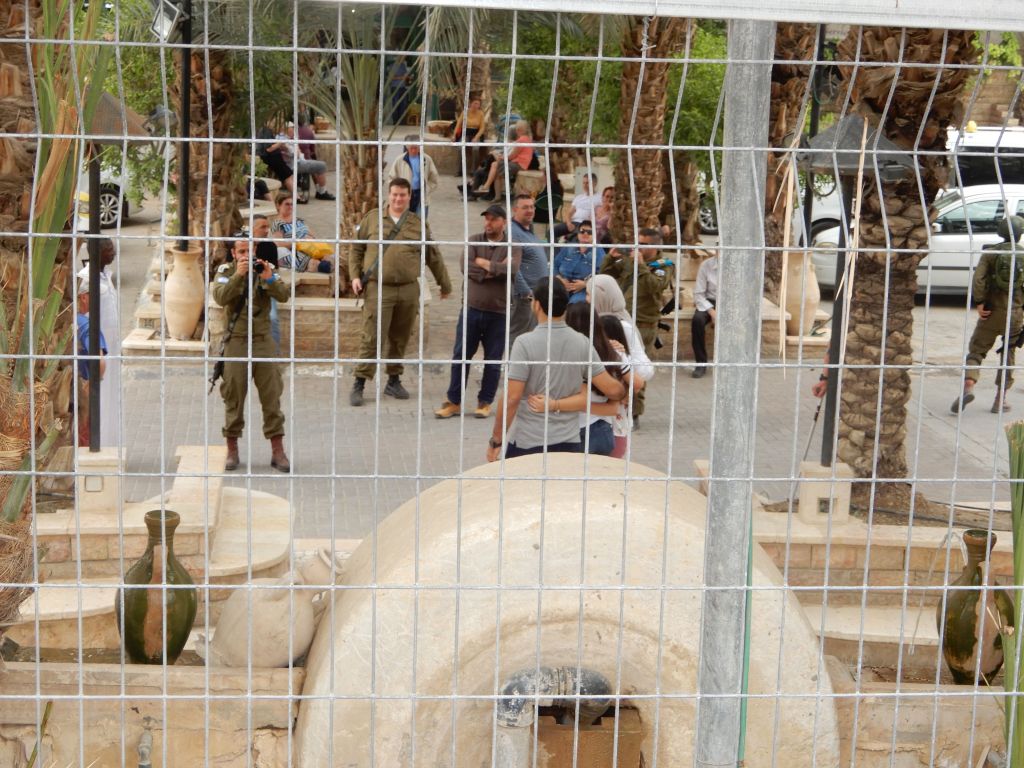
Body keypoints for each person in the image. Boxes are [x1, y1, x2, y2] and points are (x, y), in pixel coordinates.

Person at [486, 278, 625, 461]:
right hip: (569, 442)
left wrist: (496, 440)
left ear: (537, 305)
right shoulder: (581, 342)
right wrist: (624, 382)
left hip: (530, 440)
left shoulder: (524, 343)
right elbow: (613, 390)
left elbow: (512, 398)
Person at [348, 178, 452, 406]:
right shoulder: (373, 219)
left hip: (407, 289)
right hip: (378, 288)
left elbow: (432, 255)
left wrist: (445, 284)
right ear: (388, 194)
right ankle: (360, 382)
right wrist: (355, 276)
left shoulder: (417, 224)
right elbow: (356, 249)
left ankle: (393, 380)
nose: (398, 199)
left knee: (400, 337)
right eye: (394, 194)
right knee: (372, 336)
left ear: (409, 197)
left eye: (403, 195)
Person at [212, 234, 292, 472]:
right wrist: (239, 275)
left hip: (262, 340)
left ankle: (278, 450)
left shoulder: (265, 268)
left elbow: (284, 295)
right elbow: (220, 297)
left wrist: (268, 278)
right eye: (242, 251)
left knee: (272, 395)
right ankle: (232, 449)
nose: (247, 255)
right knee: (234, 395)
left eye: (250, 250)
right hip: (236, 340)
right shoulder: (226, 271)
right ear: (234, 253)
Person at [435, 204, 522, 420]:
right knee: (460, 357)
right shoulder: (474, 240)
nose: (488, 223)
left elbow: (511, 270)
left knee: (493, 360)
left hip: (499, 312)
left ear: (503, 222)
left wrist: (484, 264)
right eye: (486, 219)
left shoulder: (513, 246)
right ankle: (453, 401)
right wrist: (494, 268)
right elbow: (467, 268)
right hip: (471, 310)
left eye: (493, 219)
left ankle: (485, 402)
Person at [524, 302, 635, 456]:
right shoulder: (614, 354)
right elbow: (613, 407)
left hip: (567, 430)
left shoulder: (561, 354)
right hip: (600, 431)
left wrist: (559, 405)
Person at [952, 215, 1024, 414]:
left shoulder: (990, 255)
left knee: (977, 350)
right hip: (1015, 314)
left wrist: (980, 302)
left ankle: (969, 383)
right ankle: (1000, 399)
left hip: (990, 313)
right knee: (1008, 352)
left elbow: (978, 281)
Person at [588, 274, 655, 428]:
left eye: (589, 294)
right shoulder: (593, 323)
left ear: (601, 296)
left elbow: (646, 371)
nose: (587, 300)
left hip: (612, 411)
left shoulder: (622, 326)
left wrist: (623, 357)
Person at [599, 227, 674, 356]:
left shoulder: (664, 265)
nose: (638, 247)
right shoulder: (628, 260)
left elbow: (654, 286)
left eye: (643, 244)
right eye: (637, 242)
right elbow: (606, 276)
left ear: (655, 246)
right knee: (619, 359)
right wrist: (610, 258)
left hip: (643, 323)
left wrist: (641, 265)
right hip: (623, 317)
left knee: (641, 364)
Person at [76, 238, 120, 447]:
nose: (113, 252)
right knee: (99, 395)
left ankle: (111, 440)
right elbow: (82, 309)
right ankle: (97, 440)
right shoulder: (85, 278)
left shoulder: (106, 276)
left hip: (112, 345)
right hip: (98, 345)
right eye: (109, 249)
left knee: (112, 395)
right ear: (97, 253)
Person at [508, 193, 549, 347]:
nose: (530, 210)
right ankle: (512, 369)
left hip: (535, 296)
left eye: (532, 207)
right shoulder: (513, 232)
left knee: (530, 339)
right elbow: (512, 266)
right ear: (515, 210)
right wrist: (525, 292)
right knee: (517, 338)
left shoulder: (527, 231)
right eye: (525, 207)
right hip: (523, 298)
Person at [264, 121, 336, 201]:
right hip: (294, 164)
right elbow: (294, 154)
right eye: (292, 129)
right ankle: (322, 192)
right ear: (287, 129)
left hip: (298, 161)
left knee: (316, 165)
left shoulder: (288, 138)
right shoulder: (282, 139)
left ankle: (320, 190)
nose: (294, 131)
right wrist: (294, 148)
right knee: (321, 166)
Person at [75, 280, 108, 447]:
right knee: (85, 437)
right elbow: (99, 360)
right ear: (83, 298)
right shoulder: (87, 325)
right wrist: (95, 381)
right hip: (83, 391)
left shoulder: (67, 320)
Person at [471, 121, 534, 202]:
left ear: (519, 130)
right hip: (519, 163)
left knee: (495, 164)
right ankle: (495, 196)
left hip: (518, 164)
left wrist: (502, 158)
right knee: (496, 170)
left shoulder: (521, 140)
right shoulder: (527, 139)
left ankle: (486, 187)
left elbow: (512, 156)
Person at [271, 192, 333, 274]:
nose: (290, 207)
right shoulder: (278, 224)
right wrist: (298, 241)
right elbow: (278, 243)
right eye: (287, 204)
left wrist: (312, 241)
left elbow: (311, 234)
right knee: (318, 264)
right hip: (298, 251)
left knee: (330, 259)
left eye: (291, 204)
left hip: (311, 247)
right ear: (278, 205)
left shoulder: (298, 220)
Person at [386, 135, 440, 217]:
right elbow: (391, 178)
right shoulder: (400, 160)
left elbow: (434, 177)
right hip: (404, 194)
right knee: (403, 220)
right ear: (407, 148)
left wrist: (428, 189)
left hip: (421, 194)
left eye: (416, 148)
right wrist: (397, 192)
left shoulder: (426, 159)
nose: (414, 150)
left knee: (420, 221)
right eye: (411, 148)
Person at [554, 220, 605, 304]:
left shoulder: (599, 253)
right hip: (562, 286)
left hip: (583, 290)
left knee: (575, 304)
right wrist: (559, 279)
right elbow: (554, 265)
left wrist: (585, 284)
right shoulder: (569, 247)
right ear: (577, 233)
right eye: (582, 231)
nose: (585, 234)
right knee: (550, 300)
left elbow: (602, 275)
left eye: (589, 232)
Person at [691, 251, 719, 378]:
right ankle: (701, 364)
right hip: (709, 301)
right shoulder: (706, 265)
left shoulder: (738, 265)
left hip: (731, 302)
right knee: (697, 320)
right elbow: (699, 294)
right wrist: (712, 312)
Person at [554, 172, 603, 241]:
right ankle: (556, 251)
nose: (585, 185)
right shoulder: (579, 197)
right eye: (584, 183)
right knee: (551, 232)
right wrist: (568, 223)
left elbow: (601, 213)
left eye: (587, 183)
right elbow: (569, 213)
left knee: (574, 239)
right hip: (573, 223)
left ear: (595, 183)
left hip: (585, 225)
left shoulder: (599, 198)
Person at [452, 96, 487, 176]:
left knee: (475, 149)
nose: (476, 105)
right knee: (461, 147)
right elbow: (458, 125)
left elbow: (482, 128)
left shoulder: (481, 114)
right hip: (466, 132)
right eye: (475, 103)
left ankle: (473, 171)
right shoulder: (465, 112)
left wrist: (476, 137)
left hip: (476, 133)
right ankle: (459, 171)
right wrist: (454, 135)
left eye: (478, 104)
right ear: (471, 103)